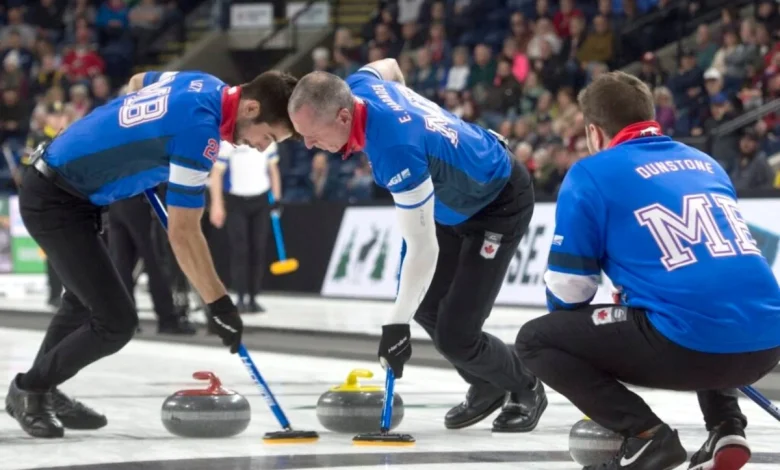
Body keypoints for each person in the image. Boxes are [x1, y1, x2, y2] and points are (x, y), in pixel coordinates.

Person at [5, 69, 298, 439]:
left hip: (70, 189)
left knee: (80, 302)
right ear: (251, 107)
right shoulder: (200, 136)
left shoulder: (203, 82)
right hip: (55, 197)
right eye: (267, 137)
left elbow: (138, 81)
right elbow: (184, 233)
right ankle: (31, 389)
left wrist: (142, 154)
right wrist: (220, 305)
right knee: (116, 322)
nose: (261, 147)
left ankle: (42, 389)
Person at [515, 71, 780, 470]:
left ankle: (645, 435)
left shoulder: (591, 173)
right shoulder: (706, 163)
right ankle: (726, 425)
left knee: (535, 340)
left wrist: (588, 336)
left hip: (691, 347)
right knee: (703, 303)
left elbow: (571, 290)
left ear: (593, 132)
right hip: (766, 343)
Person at [287, 60, 545, 433]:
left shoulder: (393, 148)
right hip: (451, 203)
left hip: (498, 203)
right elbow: (389, 66)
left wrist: (395, 325)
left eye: (312, 135)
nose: (310, 145)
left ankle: (526, 386)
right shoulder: (358, 85)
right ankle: (485, 382)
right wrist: (406, 99)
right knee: (423, 303)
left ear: (344, 116)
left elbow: (422, 249)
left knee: (458, 335)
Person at [107, 190, 197, 335]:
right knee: (155, 261)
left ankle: (126, 320)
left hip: (115, 200)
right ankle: (167, 319)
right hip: (142, 199)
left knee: (121, 264)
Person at [208, 139, 282, 313]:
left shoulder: (267, 140)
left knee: (258, 248)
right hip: (236, 201)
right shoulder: (229, 142)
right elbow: (216, 174)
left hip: (260, 199)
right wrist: (217, 204)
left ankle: (254, 296)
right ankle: (240, 296)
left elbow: (273, 170)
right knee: (239, 249)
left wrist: (277, 198)